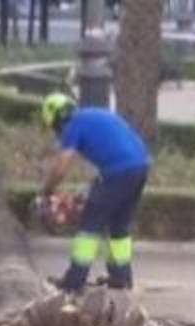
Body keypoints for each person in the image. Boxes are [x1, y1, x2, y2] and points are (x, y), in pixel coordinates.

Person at [39, 93, 150, 293]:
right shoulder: (92, 115)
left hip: (118, 171)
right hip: (140, 167)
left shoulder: (72, 126)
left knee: (89, 226)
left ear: (55, 120)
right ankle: (121, 280)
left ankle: (73, 283)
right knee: (119, 226)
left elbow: (61, 167)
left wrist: (46, 190)